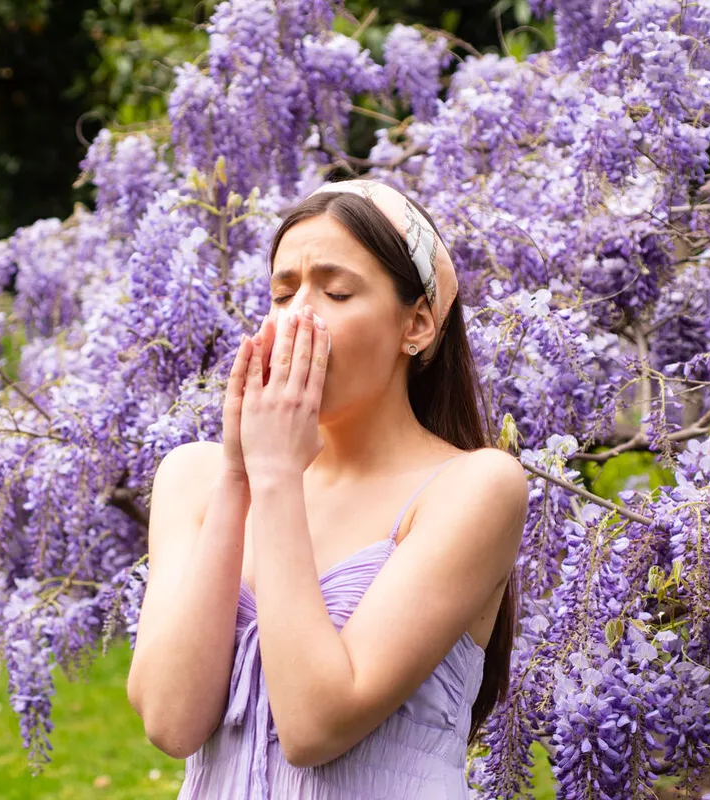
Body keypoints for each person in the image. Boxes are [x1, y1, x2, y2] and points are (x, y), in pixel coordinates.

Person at [125, 179, 529, 799]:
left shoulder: (474, 488)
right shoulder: (195, 477)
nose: (298, 317)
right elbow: (172, 722)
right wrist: (240, 476)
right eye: (282, 294)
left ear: (416, 323)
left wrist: (279, 477)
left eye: (336, 291)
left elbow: (316, 724)